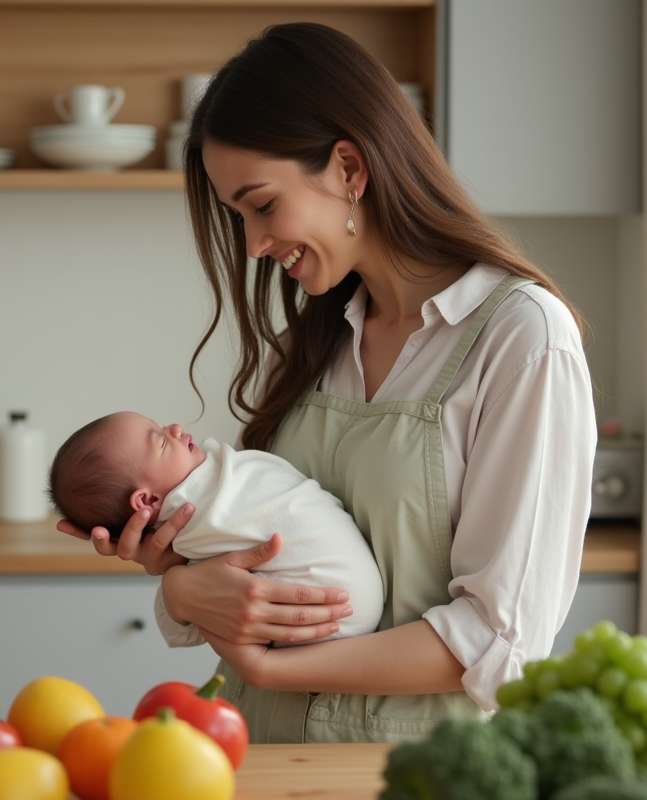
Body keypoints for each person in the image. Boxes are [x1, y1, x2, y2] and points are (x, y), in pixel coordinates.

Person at [58, 21, 596, 743]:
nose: (251, 245)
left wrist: (276, 667)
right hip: (264, 756)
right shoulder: (315, 339)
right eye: (238, 216)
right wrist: (184, 587)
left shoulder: (522, 337)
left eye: (261, 205)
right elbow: (258, 552)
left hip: (414, 774)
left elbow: (500, 640)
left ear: (349, 167)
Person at [47, 410, 385, 641]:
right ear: (147, 502)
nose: (175, 428)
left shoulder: (210, 491)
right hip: (330, 619)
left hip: (339, 621)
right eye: (162, 441)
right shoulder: (199, 511)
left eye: (161, 426)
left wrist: (173, 575)